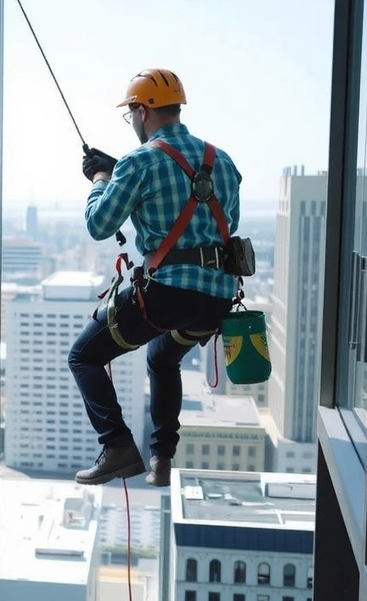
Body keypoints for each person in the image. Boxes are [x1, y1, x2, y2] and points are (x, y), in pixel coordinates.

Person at [70, 68, 243, 487]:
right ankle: (162, 459)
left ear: (142, 111)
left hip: (167, 296)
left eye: (130, 112)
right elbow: (223, 220)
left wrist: (100, 179)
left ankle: (117, 447)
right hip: (217, 298)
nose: (131, 121)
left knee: (84, 357)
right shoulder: (221, 159)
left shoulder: (137, 162)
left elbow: (99, 223)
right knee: (163, 358)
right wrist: (120, 174)